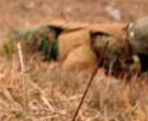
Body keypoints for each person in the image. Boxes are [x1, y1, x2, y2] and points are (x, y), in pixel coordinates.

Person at [12, 17, 148, 77]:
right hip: (52, 42)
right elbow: (116, 71)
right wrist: (134, 75)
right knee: (9, 39)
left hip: (59, 36)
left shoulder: (127, 32)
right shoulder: (114, 45)